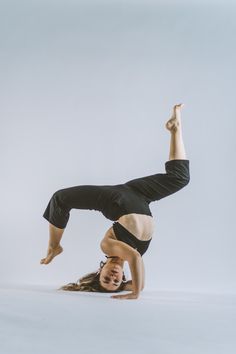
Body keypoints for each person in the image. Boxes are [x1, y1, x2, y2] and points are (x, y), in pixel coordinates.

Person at [40, 103, 190, 300]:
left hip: (114, 201)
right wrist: (135, 288)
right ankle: (175, 129)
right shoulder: (134, 261)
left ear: (99, 272)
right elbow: (139, 279)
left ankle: (54, 246)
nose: (112, 278)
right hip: (140, 195)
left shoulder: (107, 247)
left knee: (60, 198)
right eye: (116, 282)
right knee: (180, 178)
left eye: (105, 280)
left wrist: (135, 294)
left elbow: (135, 261)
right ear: (123, 279)